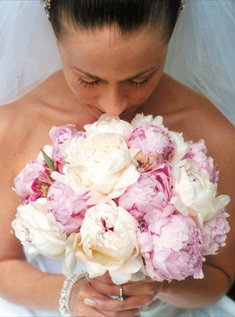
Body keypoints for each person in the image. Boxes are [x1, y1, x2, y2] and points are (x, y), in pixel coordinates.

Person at [0, 1, 234, 316]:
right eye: (89, 79)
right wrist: (72, 295)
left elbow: (220, 277)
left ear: (175, 22)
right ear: (53, 30)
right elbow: (4, 264)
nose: (114, 106)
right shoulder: (14, 125)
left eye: (139, 79)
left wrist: (162, 283)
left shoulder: (216, 133)